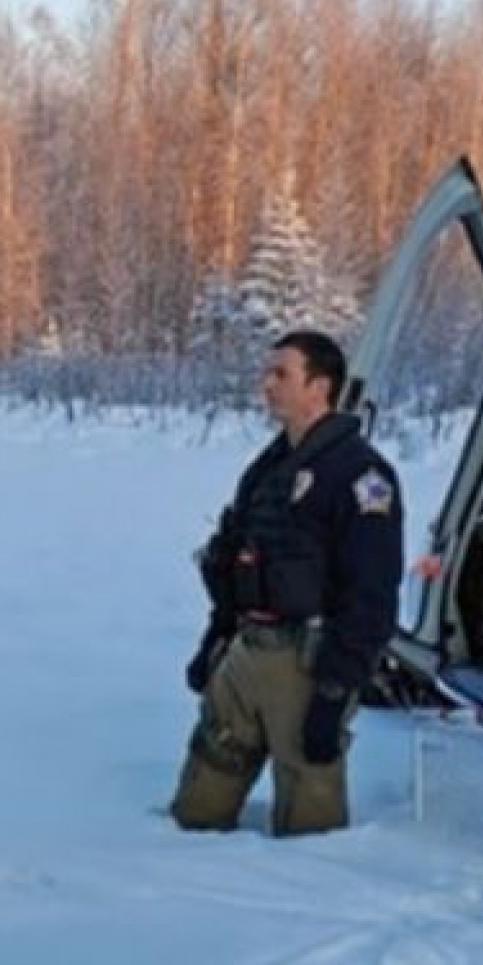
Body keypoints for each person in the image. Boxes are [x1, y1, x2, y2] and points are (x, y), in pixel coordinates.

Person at [171, 330, 405, 836]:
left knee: (308, 828)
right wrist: (214, 641)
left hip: (308, 659)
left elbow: (372, 593)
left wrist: (335, 688)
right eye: (267, 372)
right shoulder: (269, 468)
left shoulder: (362, 475)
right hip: (246, 650)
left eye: (282, 374)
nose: (267, 384)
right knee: (195, 810)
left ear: (319, 387)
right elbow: (235, 561)